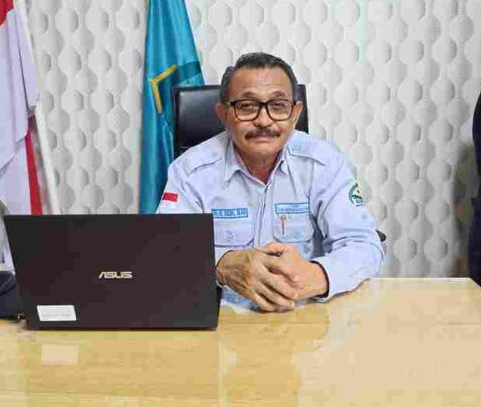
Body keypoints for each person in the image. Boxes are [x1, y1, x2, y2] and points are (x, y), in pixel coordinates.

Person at [157, 52, 383, 311]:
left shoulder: (323, 163)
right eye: (247, 106)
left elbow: (364, 244)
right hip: (222, 315)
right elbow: (167, 252)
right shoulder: (190, 170)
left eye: (278, 105)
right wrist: (220, 264)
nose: (264, 120)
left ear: (295, 113)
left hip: (304, 315)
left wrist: (318, 275)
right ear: (223, 113)